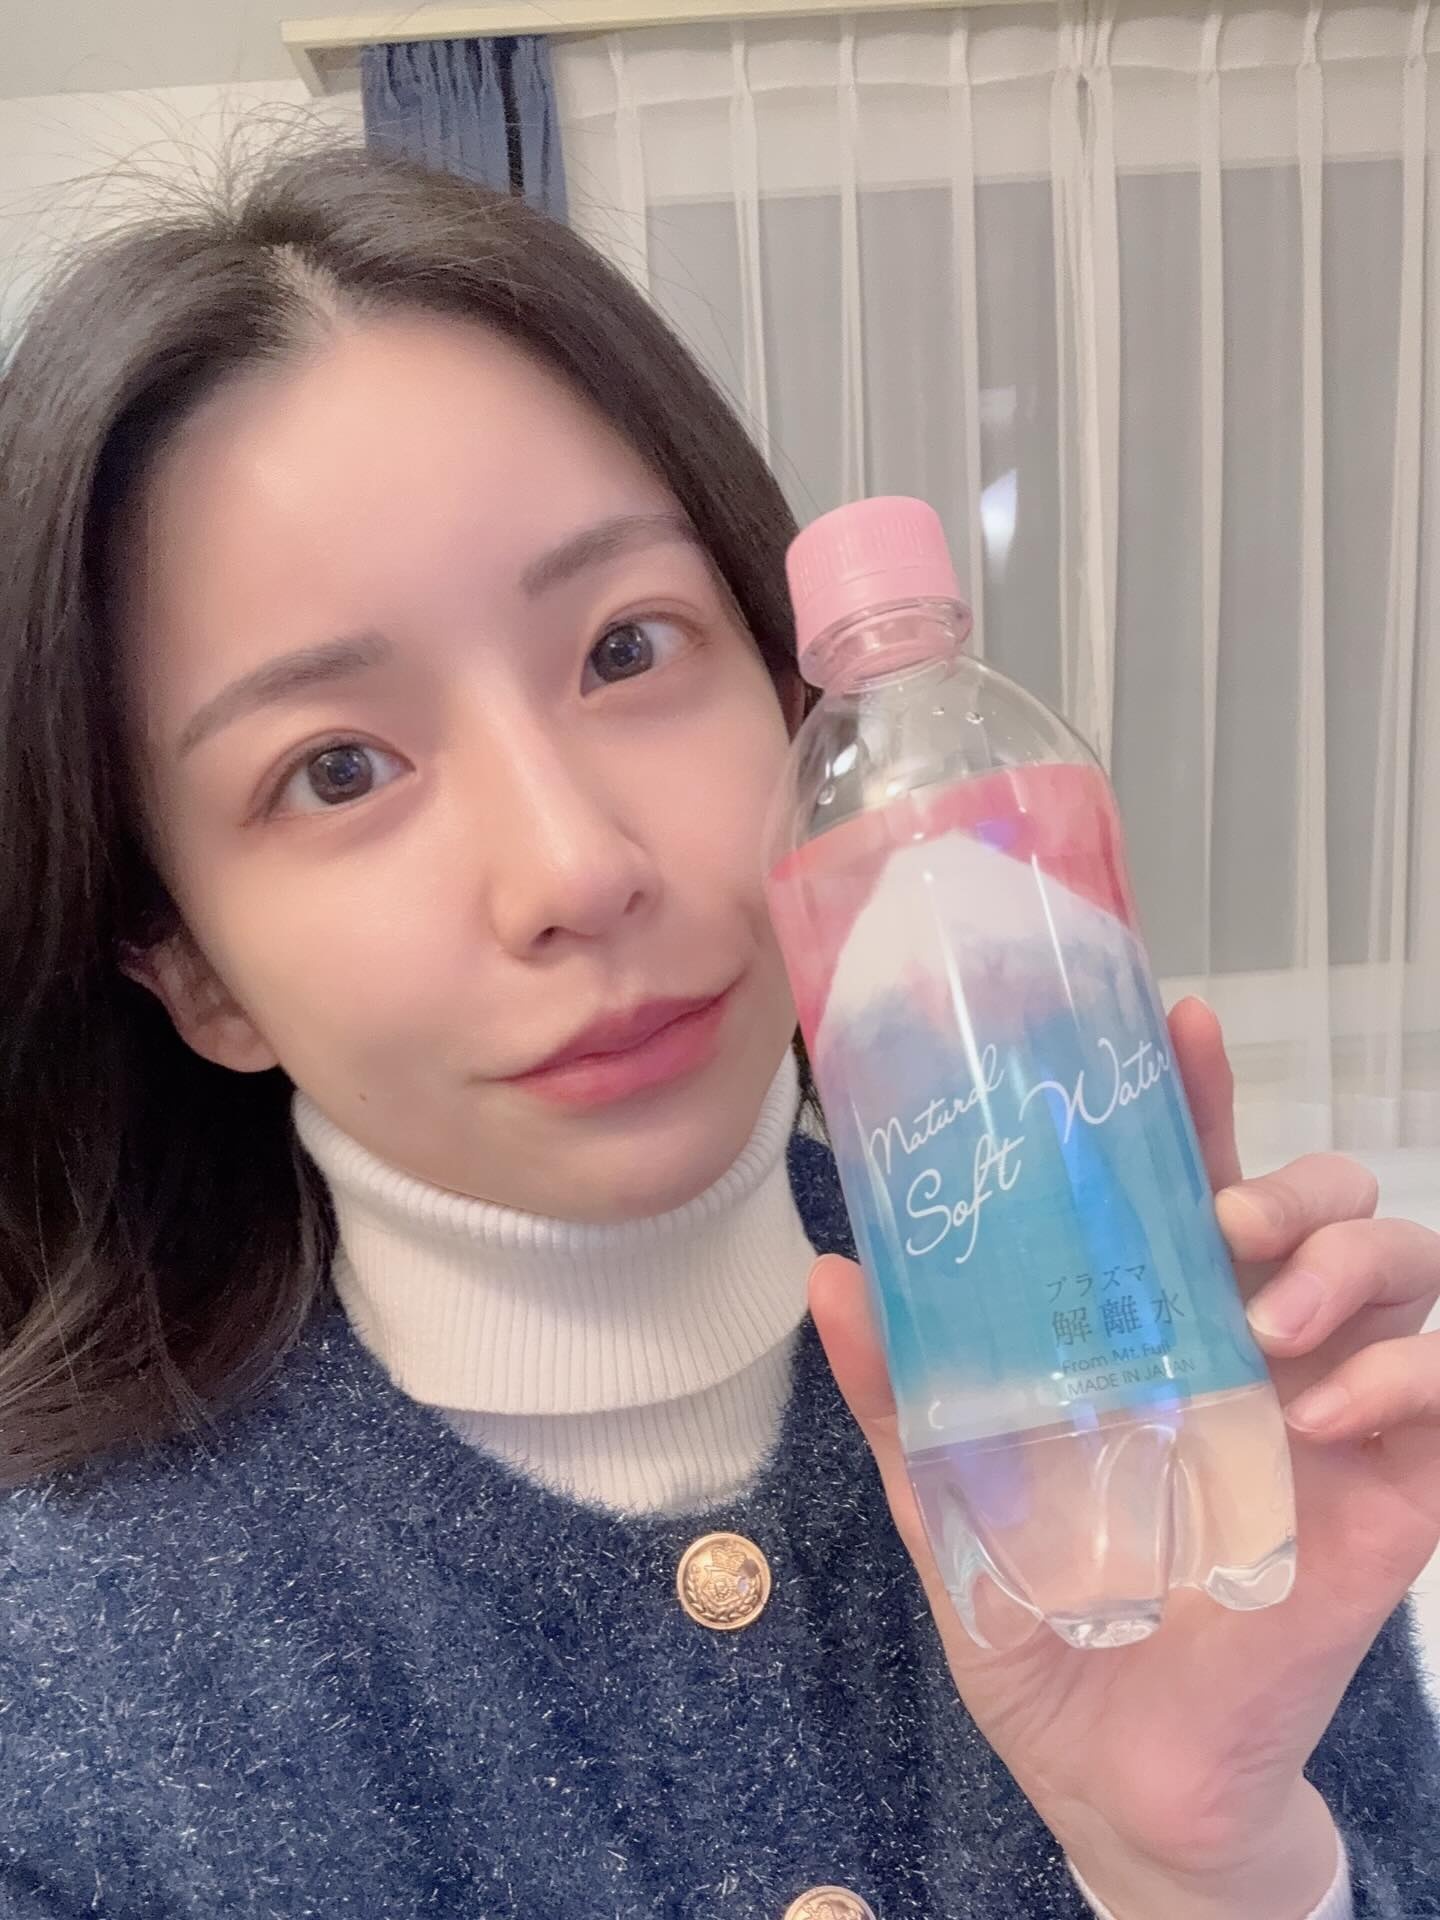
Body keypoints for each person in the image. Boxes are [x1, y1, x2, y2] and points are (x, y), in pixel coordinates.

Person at [0, 141, 1436, 1920]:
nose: (575, 868)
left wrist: (1212, 1871)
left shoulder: (1162, 1385)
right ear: (189, 968)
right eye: (337, 768)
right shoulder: (57, 1684)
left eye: (626, 649)